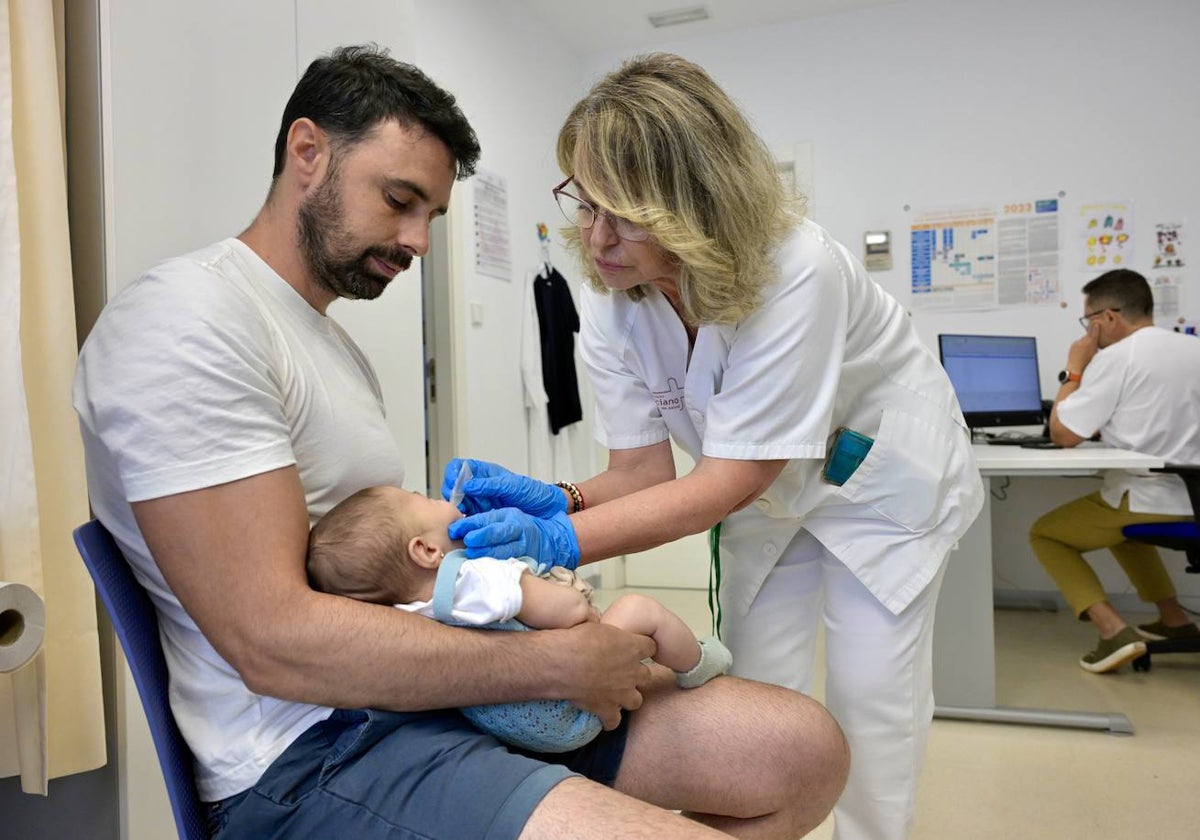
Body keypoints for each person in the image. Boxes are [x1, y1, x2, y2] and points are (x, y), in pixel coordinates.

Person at [72, 45, 848, 840]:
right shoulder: (188, 324)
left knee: (803, 754)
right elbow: (274, 643)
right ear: (307, 152)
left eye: (432, 215)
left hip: (421, 695)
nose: (419, 241)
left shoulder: (327, 346)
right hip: (314, 754)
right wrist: (554, 662)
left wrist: (528, 538)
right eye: (399, 199)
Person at [444, 53, 985, 840]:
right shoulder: (614, 297)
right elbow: (641, 471)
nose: (596, 239)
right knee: (756, 697)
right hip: (766, 493)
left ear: (693, 203)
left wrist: (556, 540)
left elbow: (728, 478)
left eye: (624, 213)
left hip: (878, 481)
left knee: (873, 698)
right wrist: (561, 499)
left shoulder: (797, 268)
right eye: (585, 204)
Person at [306, 484, 733, 752]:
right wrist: (552, 586)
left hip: (507, 727)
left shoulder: (405, 612)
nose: (438, 497)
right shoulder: (476, 578)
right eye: (422, 498)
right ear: (426, 551)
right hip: (566, 711)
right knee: (638, 610)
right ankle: (697, 662)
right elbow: (569, 612)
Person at [1031, 269, 1200, 673]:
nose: (1089, 331)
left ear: (1108, 318)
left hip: (1147, 496)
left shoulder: (1117, 357)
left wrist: (1075, 368)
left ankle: (1113, 632)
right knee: (1121, 535)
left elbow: (1064, 433)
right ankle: (1175, 619)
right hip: (1190, 499)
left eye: (1088, 321)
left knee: (1046, 534)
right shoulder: (1192, 348)